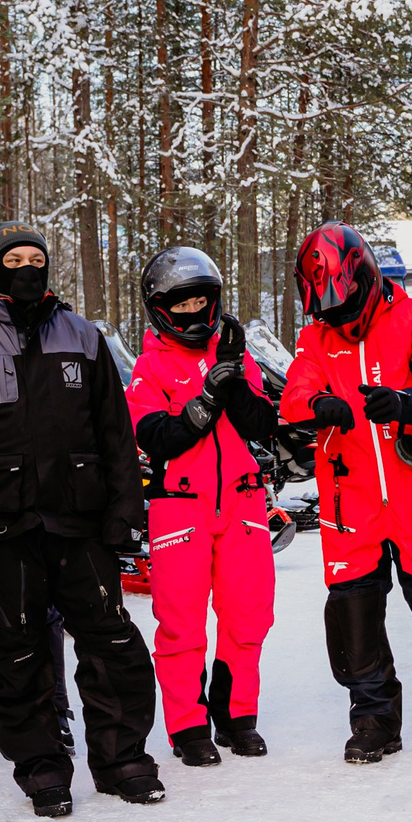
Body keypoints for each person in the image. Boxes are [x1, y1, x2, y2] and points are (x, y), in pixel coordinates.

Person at [0, 221, 161, 815]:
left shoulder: (83, 336)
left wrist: (126, 511)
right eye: (13, 259)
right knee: (18, 653)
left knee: (113, 644)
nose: (26, 268)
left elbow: (115, 433)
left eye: (36, 259)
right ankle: (43, 768)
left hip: (80, 522)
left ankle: (122, 759)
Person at [281, 222, 412, 763]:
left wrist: (405, 403)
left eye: (342, 303)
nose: (336, 316)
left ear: (365, 278)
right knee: (353, 610)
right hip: (348, 498)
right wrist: (317, 405)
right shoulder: (314, 338)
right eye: (326, 308)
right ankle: (372, 718)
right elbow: (295, 394)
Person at [126, 248, 281, 766]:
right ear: (160, 308)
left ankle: (237, 715)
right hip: (180, 506)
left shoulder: (234, 355)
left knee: (248, 617)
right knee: (181, 623)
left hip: (242, 501)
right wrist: (204, 402)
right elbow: (155, 437)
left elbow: (262, 423)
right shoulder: (149, 367)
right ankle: (188, 726)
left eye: (201, 301)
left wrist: (231, 378)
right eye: (182, 303)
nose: (194, 312)